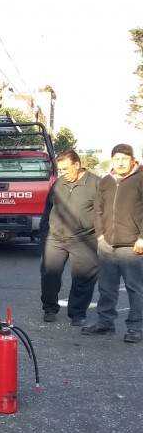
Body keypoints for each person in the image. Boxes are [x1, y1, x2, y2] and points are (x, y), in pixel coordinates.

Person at [82, 144, 143, 343]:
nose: (121, 162)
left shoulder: (140, 178)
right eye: (117, 159)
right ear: (112, 161)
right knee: (107, 287)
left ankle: (135, 327)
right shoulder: (106, 181)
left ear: (132, 160)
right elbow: (98, 210)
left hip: (132, 244)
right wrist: (100, 235)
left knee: (135, 288)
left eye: (124, 159)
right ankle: (105, 323)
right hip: (107, 244)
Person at [40, 150, 100, 325]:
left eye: (66, 169)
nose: (63, 174)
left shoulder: (97, 184)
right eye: (60, 170)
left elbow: (104, 212)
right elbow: (47, 209)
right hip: (55, 239)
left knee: (83, 279)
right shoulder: (58, 184)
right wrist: (44, 234)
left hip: (84, 239)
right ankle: (49, 308)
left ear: (77, 165)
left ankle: (77, 313)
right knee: (49, 276)